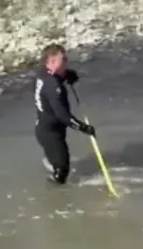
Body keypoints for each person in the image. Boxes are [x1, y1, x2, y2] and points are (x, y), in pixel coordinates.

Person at [34, 43, 96, 185]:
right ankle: (53, 197)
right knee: (62, 169)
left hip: (47, 128)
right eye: (64, 61)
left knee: (59, 160)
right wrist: (83, 127)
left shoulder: (43, 73)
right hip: (50, 133)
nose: (67, 63)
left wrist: (67, 75)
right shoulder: (53, 87)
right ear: (53, 61)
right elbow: (63, 116)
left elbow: (56, 75)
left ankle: (52, 166)